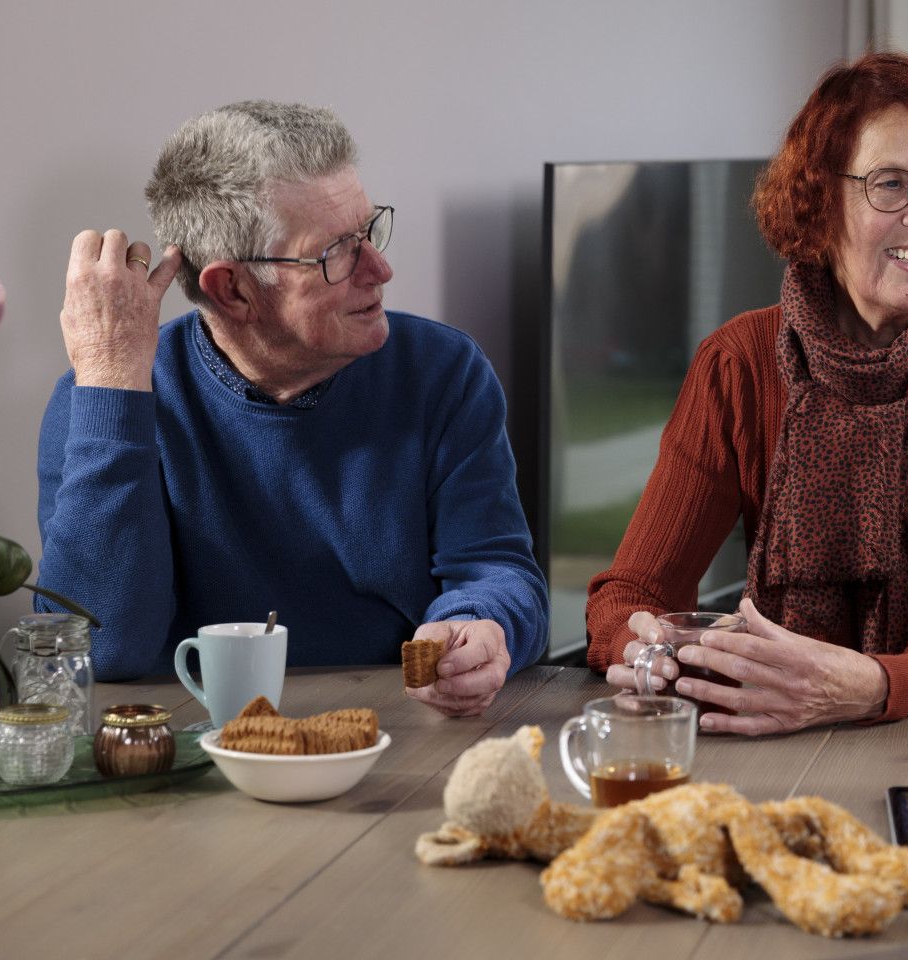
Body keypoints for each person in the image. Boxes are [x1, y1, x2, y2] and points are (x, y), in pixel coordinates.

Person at [587, 52, 908, 735]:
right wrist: (642, 648)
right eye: (892, 184)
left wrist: (869, 683)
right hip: (779, 732)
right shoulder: (738, 363)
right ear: (820, 201)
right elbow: (632, 593)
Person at [38, 100, 546, 717]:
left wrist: (483, 624)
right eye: (336, 253)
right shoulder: (101, 400)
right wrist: (112, 386)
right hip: (199, 753)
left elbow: (497, 569)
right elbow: (104, 647)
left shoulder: (442, 371)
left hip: (398, 733)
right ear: (234, 289)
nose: (381, 268)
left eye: (370, 231)